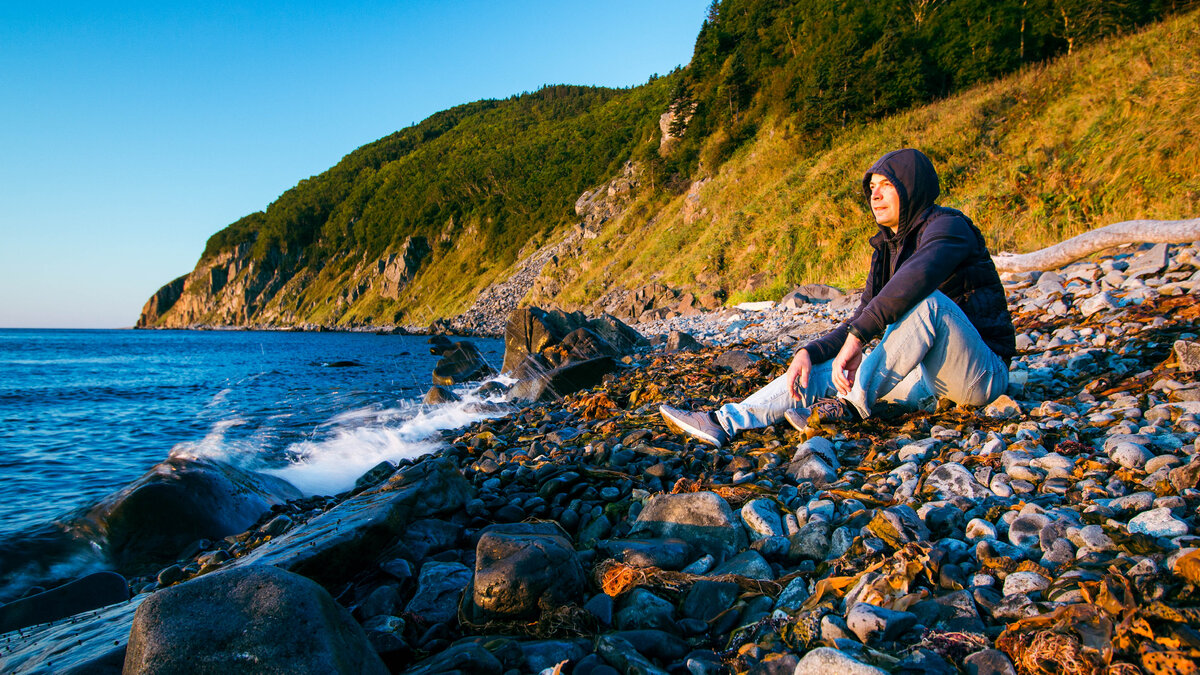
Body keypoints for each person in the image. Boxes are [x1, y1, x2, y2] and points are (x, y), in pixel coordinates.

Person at [660, 148, 1016, 447]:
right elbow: (860, 315)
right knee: (827, 368)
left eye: (887, 186)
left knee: (926, 303)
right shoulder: (886, 249)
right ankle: (725, 421)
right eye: (872, 188)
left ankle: (849, 407)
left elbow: (916, 279)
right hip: (926, 381)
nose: (874, 196)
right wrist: (808, 352)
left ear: (912, 188)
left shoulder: (949, 227)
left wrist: (860, 338)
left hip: (981, 374)